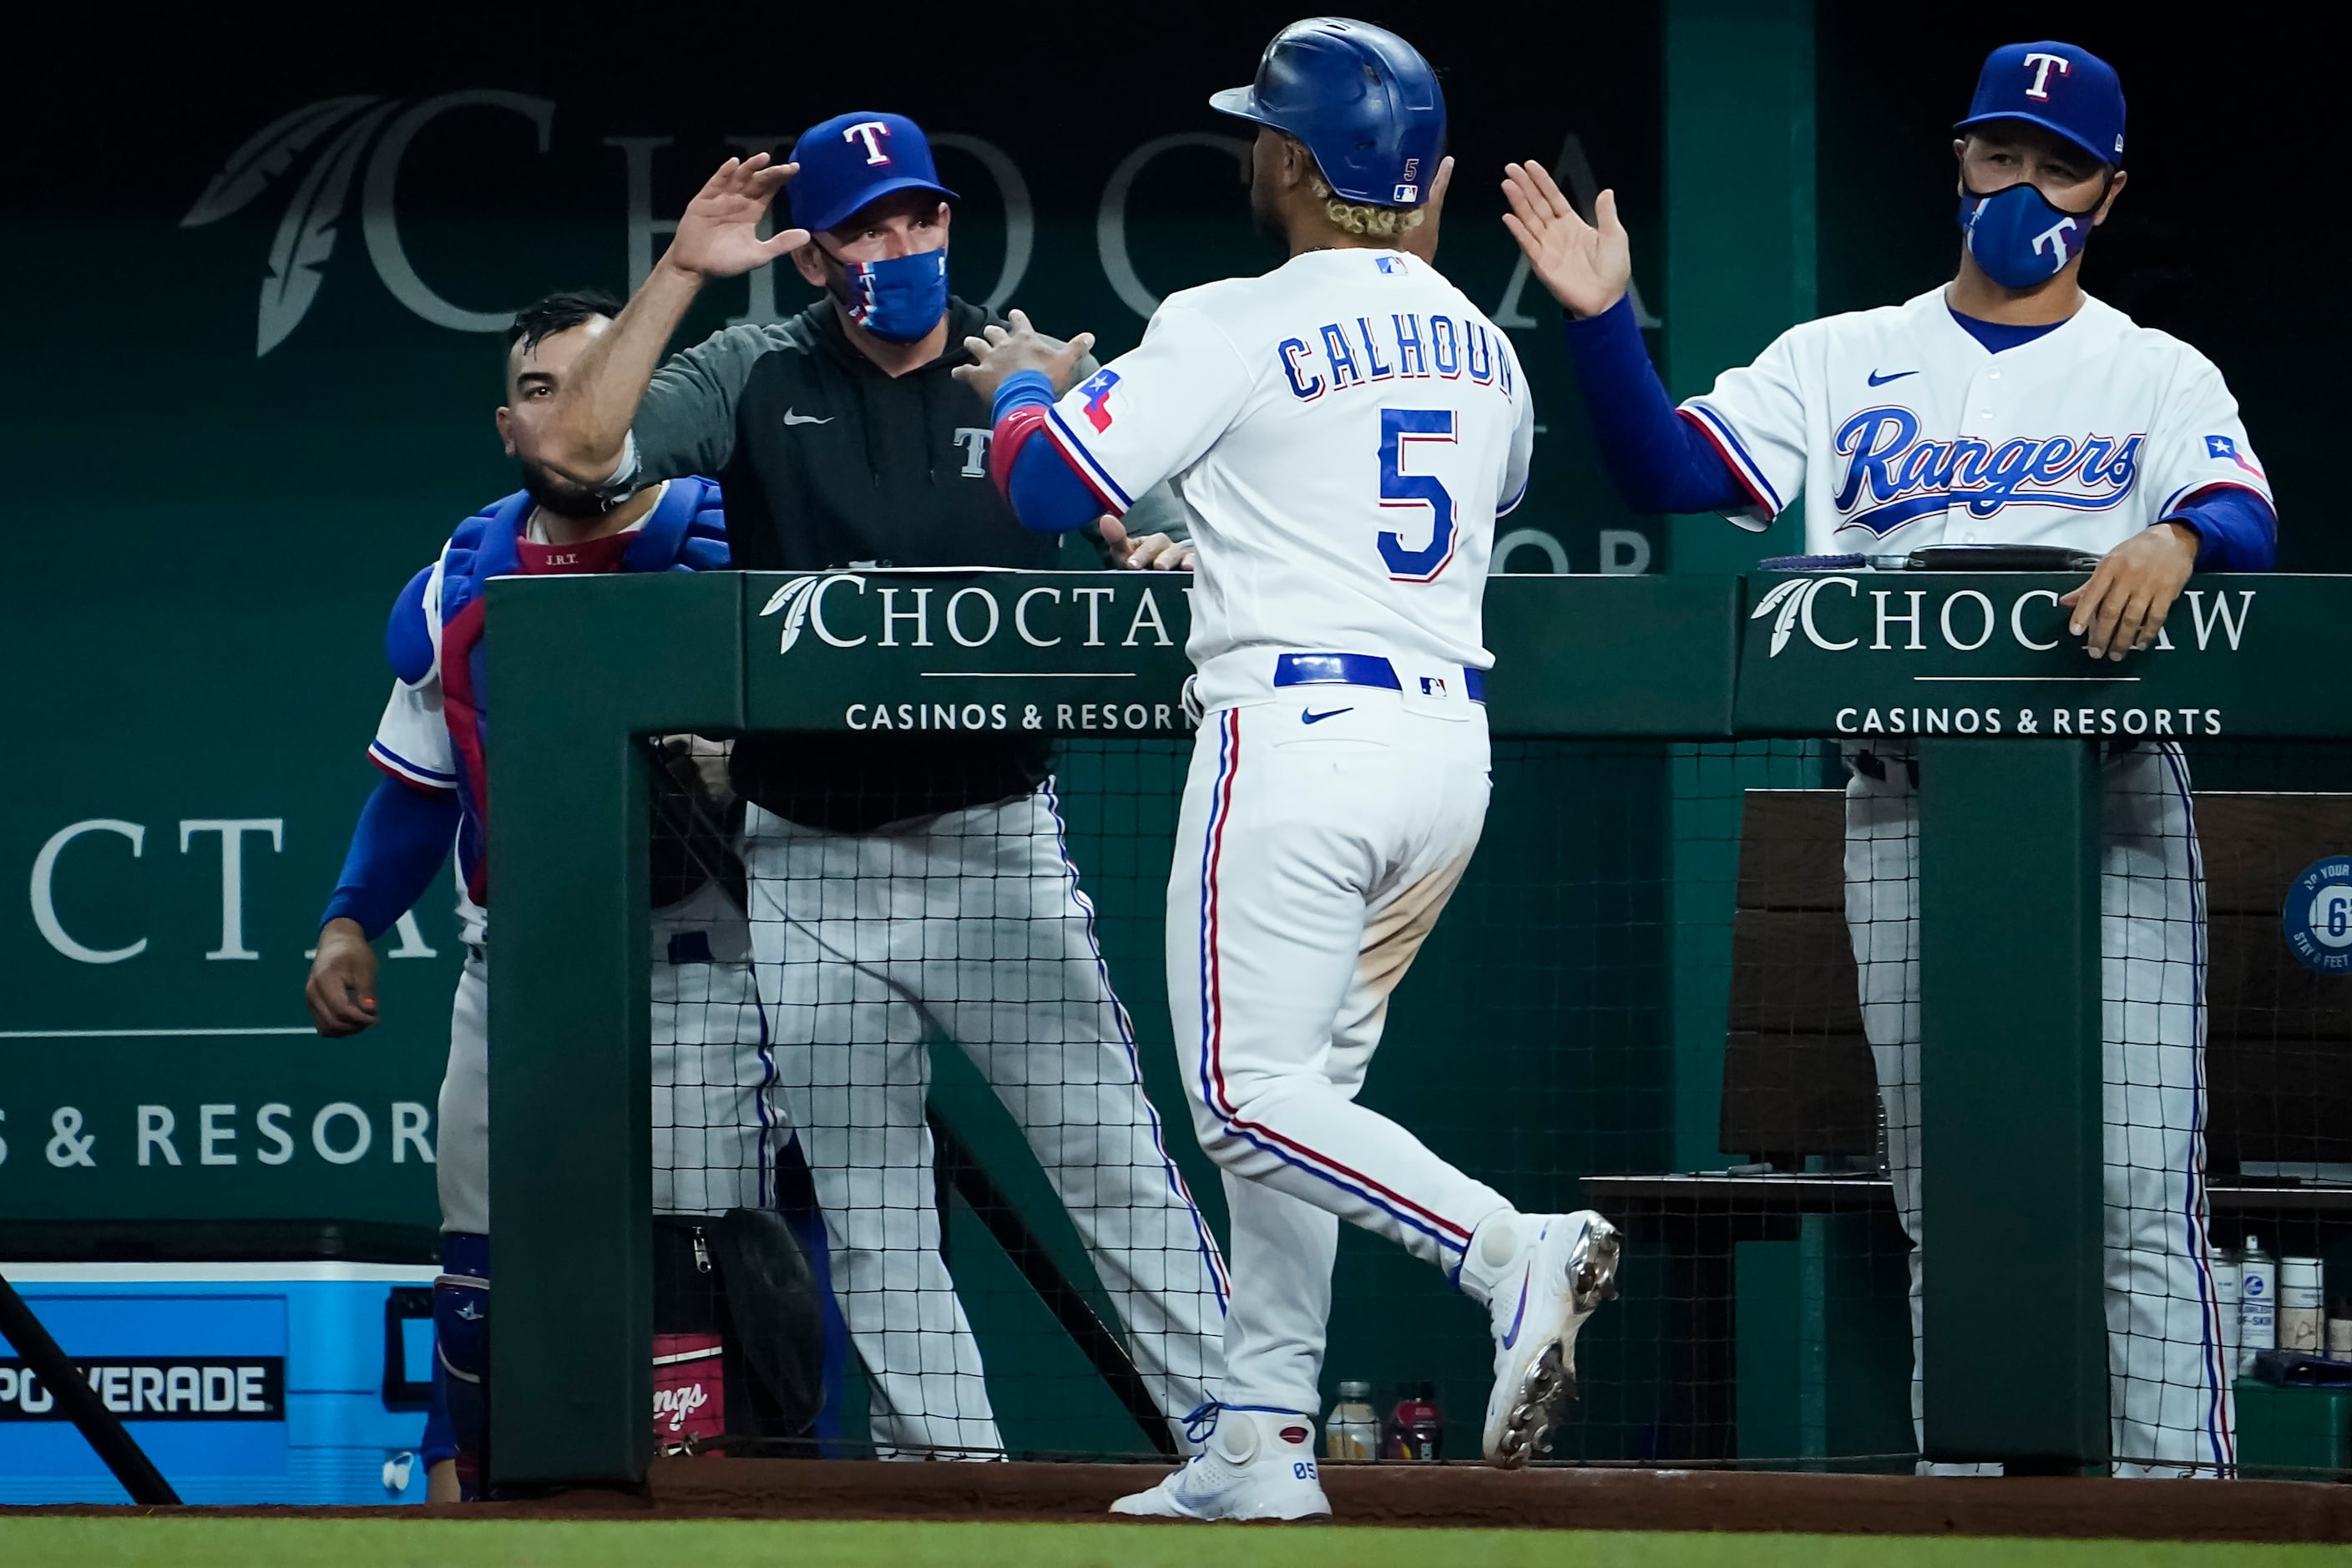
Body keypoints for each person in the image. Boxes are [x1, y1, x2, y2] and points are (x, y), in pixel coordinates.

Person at [1505, 41, 2272, 1476]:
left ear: (2107, 189)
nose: (2023, 186)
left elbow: (2241, 509)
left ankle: (2188, 1511)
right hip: (1903, 807)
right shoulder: (1840, 352)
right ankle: (1969, 1507)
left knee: (2131, 1196)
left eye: (2057, 164)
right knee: (1952, 1199)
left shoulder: (2154, 369)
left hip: (2103, 806)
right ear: (1959, 162)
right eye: (2001, 153)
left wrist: (2174, 535)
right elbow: (1676, 472)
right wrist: (1604, 324)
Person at [959, 18, 1620, 1520]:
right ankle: (1259, 1440)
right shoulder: (1486, 347)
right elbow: (1429, 485)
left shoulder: (1228, 315)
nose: (1252, 148)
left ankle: (1506, 1251)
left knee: (1245, 1100)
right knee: (1309, 1097)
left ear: (1289, 161)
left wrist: (1023, 388)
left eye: (1264, 132)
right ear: (1425, 175)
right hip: (1445, 755)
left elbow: (1045, 482)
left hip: (1297, 739)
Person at [534, 111, 1227, 1456]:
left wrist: (1166, 552)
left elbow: (1179, 528)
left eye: (919, 216)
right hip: (806, 863)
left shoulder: (1021, 368)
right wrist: (681, 267)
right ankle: (954, 1491)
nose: (900, 246)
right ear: (813, 255)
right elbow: (574, 459)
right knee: (873, 1211)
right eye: (865, 227)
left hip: (993, 846)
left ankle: (1237, 1444)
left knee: (1113, 1168)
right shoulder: (751, 368)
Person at [304, 291, 787, 1498]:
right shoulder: (456, 581)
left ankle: (738, 1500)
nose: (563, 410)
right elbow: (419, 785)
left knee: (698, 1267)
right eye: (536, 389)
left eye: (590, 381)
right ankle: (471, 1491)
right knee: (478, 1265)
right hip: (510, 965)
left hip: (700, 966)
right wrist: (351, 914)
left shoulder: (729, 543)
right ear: (507, 426)